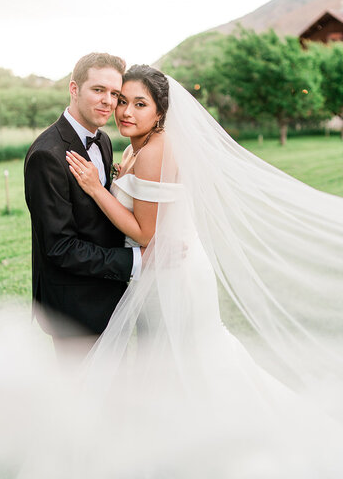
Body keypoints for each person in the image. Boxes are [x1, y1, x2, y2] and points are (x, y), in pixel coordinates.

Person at [64, 64, 343, 475]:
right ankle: (178, 444)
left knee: (195, 357)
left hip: (174, 274)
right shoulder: (133, 148)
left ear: (160, 112)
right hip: (154, 276)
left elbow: (145, 232)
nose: (126, 111)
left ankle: (233, 443)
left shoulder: (158, 148)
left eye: (140, 104)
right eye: (123, 101)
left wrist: (95, 189)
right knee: (166, 361)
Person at [24, 53, 142, 360]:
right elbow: (60, 246)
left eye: (115, 94)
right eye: (98, 90)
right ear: (74, 89)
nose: (108, 101)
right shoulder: (46, 155)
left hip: (109, 298)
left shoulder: (102, 140)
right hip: (74, 309)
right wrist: (134, 260)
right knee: (81, 403)